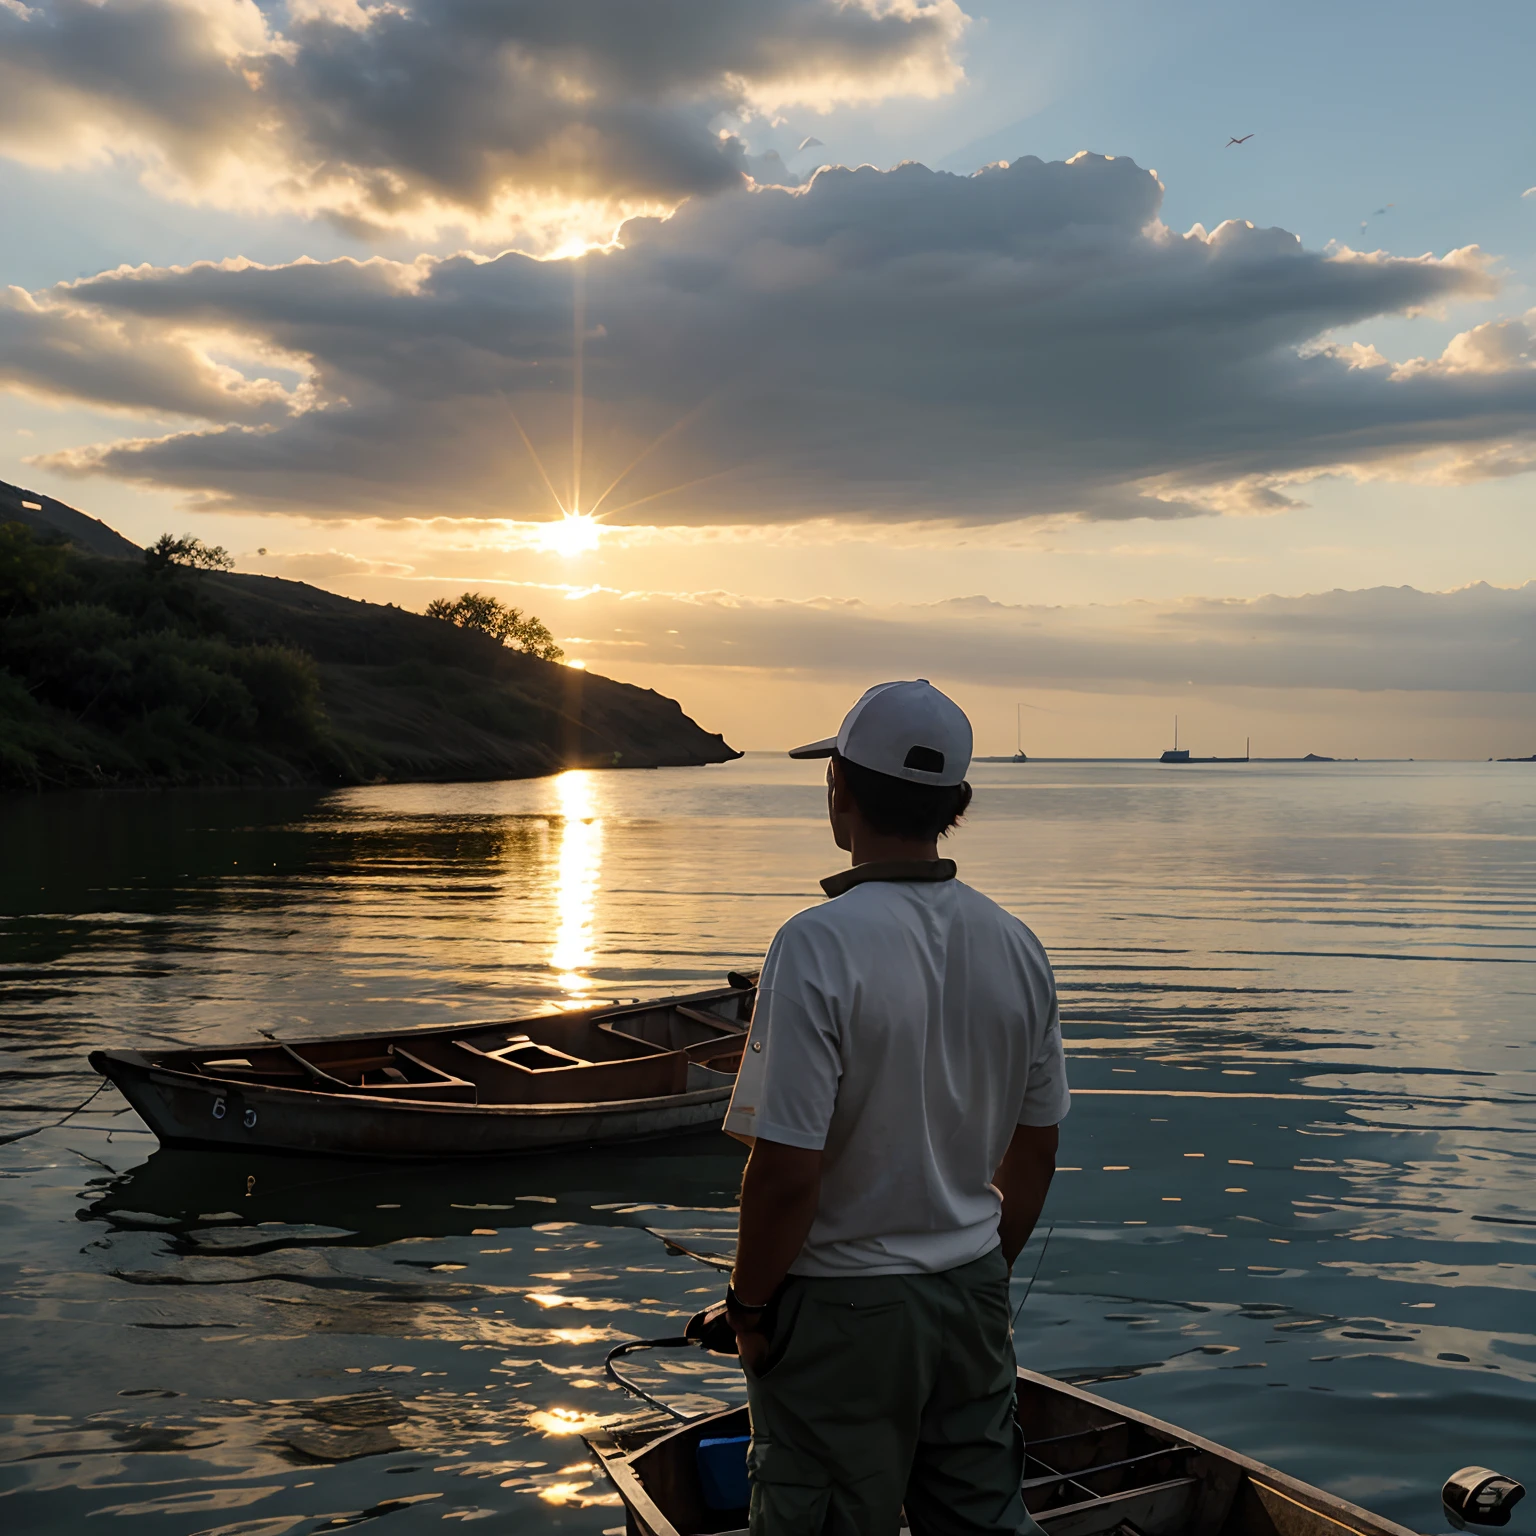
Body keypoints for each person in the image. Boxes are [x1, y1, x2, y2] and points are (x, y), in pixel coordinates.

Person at [720, 679, 1068, 1536]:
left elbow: (786, 1173)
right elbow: (1036, 1147)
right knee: (982, 1516)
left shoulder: (816, 943)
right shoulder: (1017, 943)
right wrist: (980, 1265)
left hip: (841, 1312)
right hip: (972, 1294)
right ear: (959, 803)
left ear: (840, 789)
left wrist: (751, 1309)